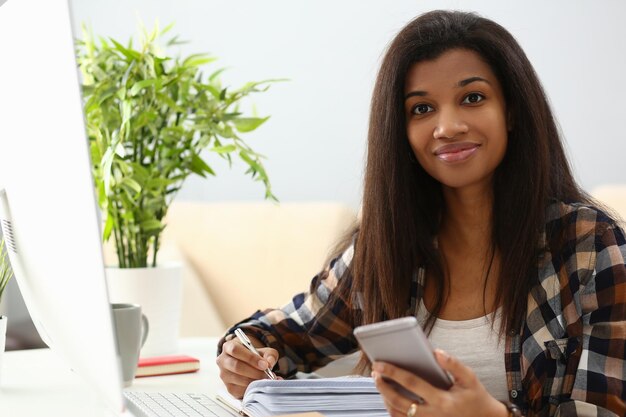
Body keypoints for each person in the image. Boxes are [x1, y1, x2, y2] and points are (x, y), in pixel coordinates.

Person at [216, 10, 626, 417]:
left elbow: (604, 411)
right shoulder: (387, 247)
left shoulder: (589, 245)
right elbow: (285, 334)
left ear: (512, 111)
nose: (447, 127)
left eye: (472, 98)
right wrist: (243, 354)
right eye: (422, 109)